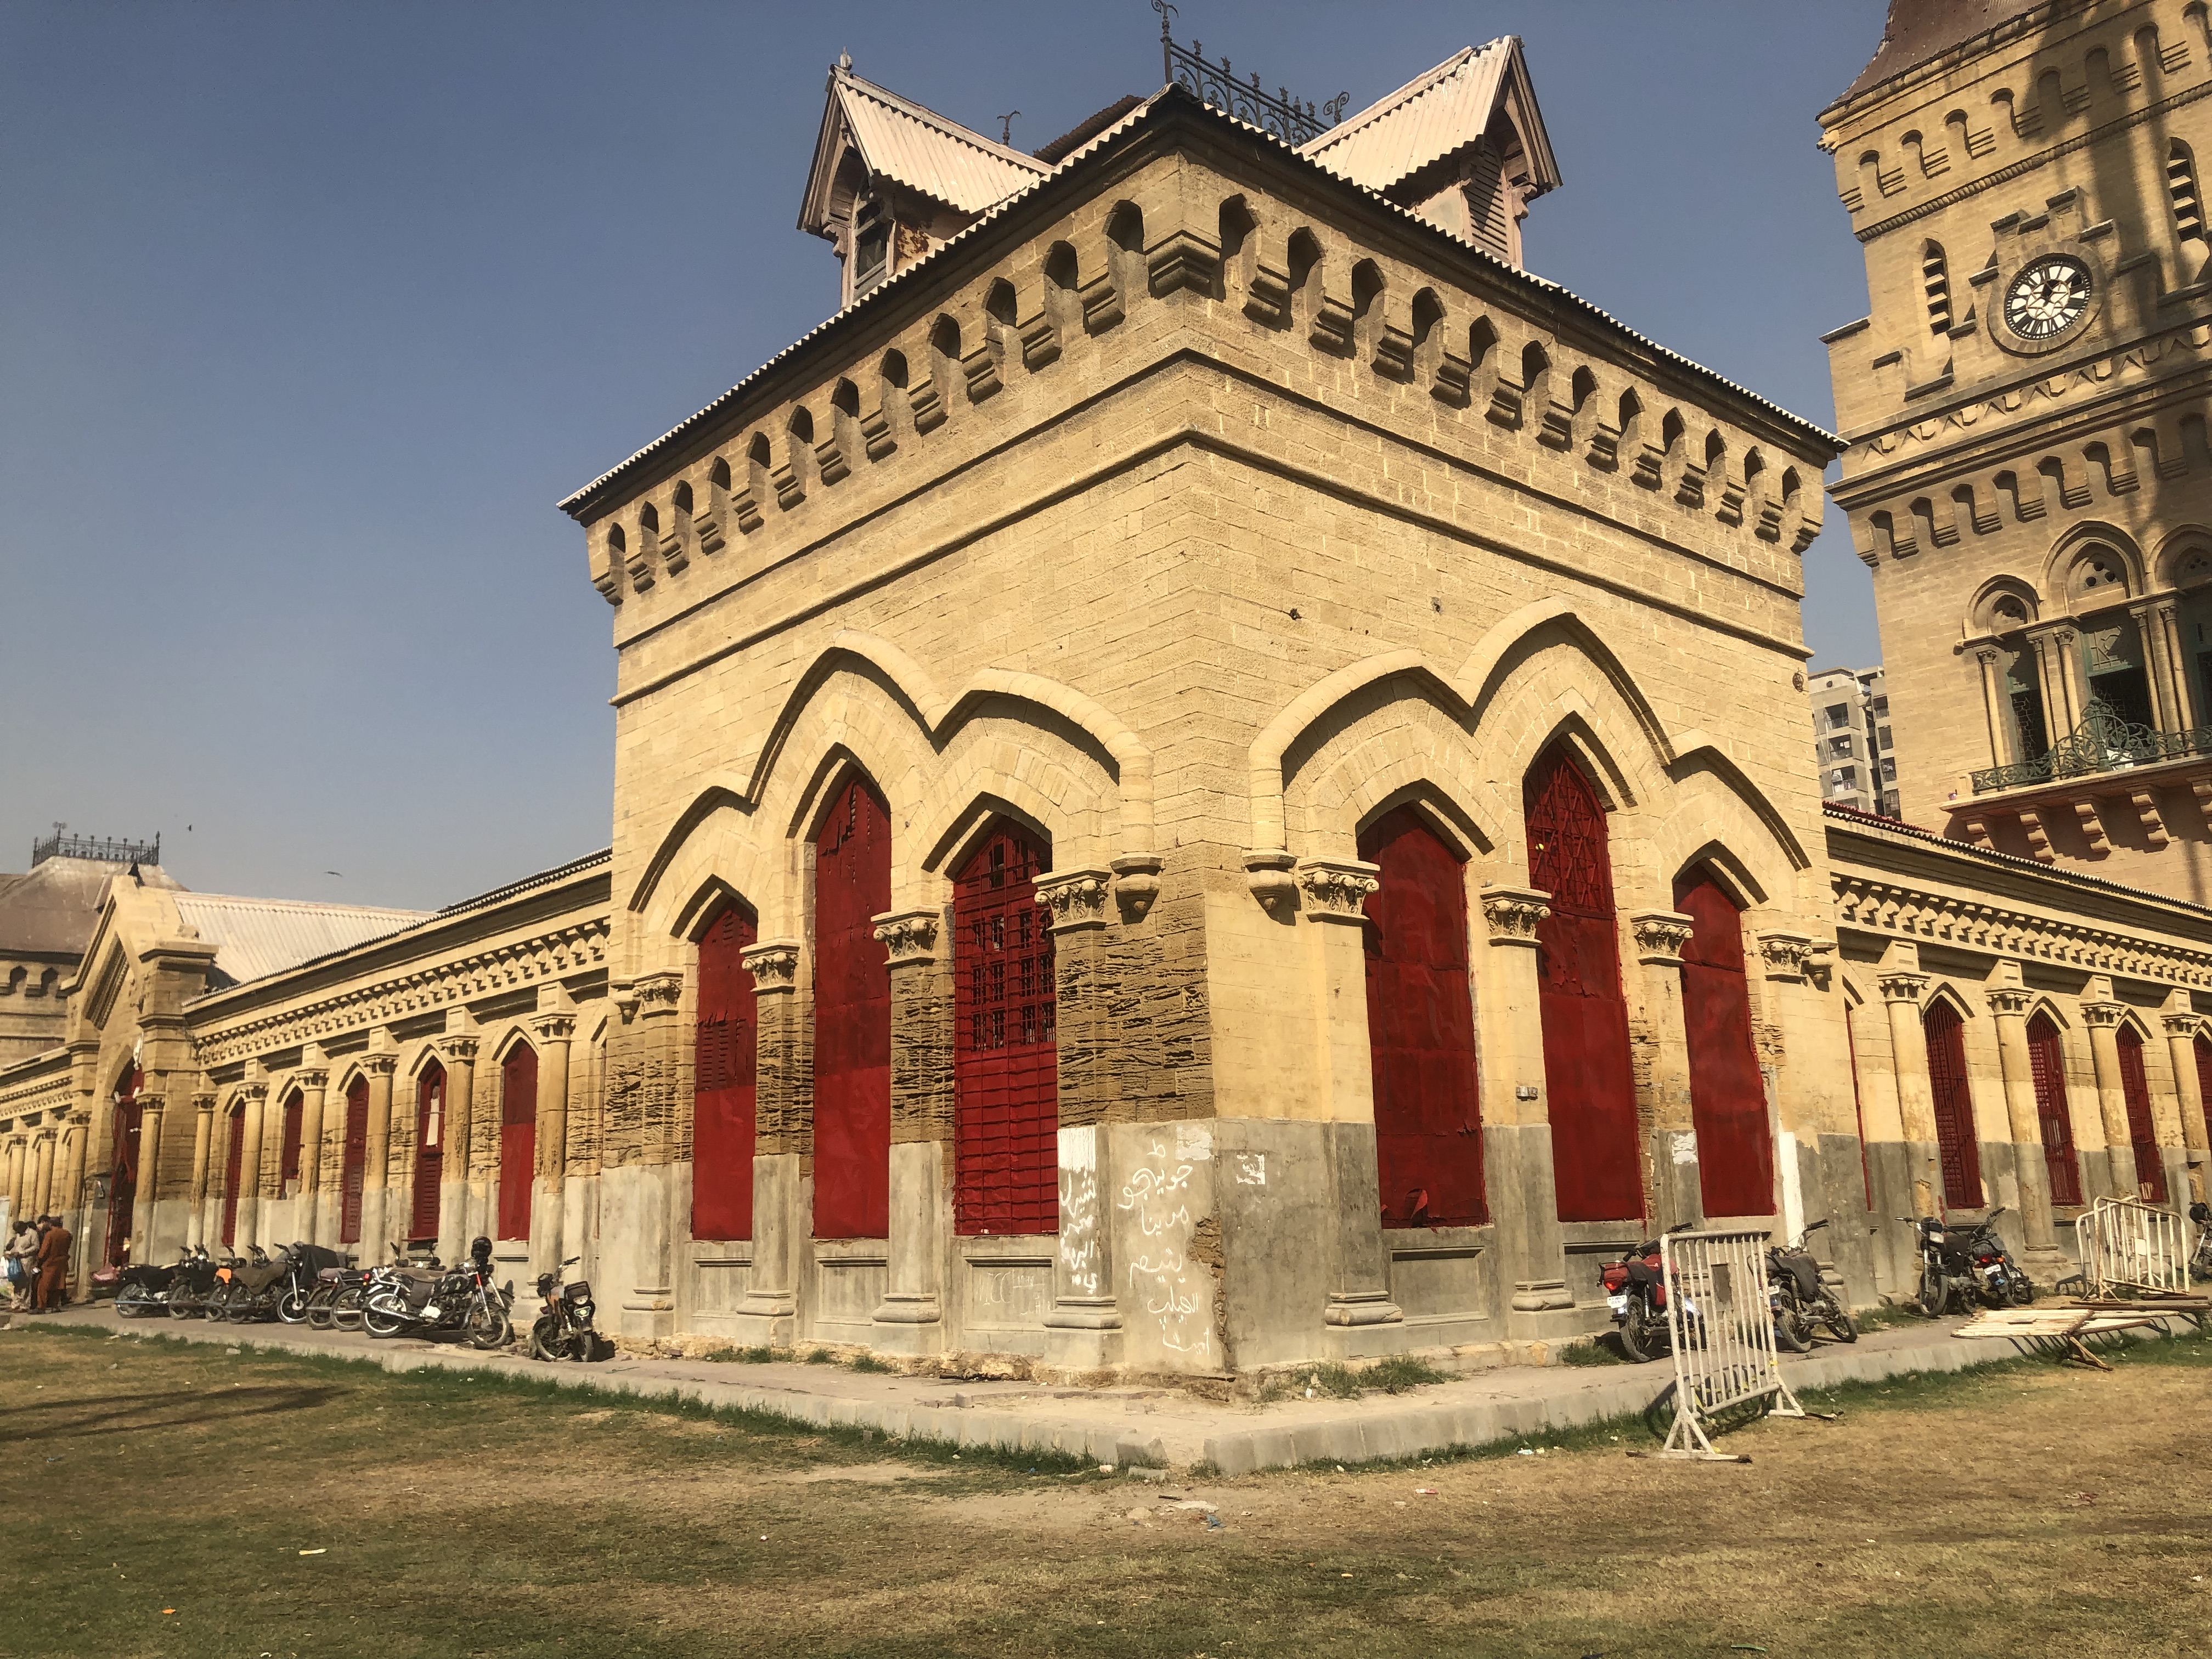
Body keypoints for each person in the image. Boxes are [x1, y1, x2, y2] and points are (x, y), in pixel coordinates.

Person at [31, 1215, 71, 1314]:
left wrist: (38, 1261)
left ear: (51, 1224)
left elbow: (44, 1250)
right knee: (58, 1285)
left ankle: (41, 1307)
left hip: (50, 1263)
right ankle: (55, 1306)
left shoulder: (50, 1234)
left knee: (43, 1285)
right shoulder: (67, 1234)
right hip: (62, 1262)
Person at [3, 1217, 35, 1310]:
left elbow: (35, 1247)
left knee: (26, 1284)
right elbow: (16, 1246)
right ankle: (16, 1304)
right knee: (17, 1283)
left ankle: (24, 1305)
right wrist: (9, 1254)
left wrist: (23, 1253)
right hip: (17, 1262)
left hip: (27, 1261)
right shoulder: (18, 1235)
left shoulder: (32, 1234)